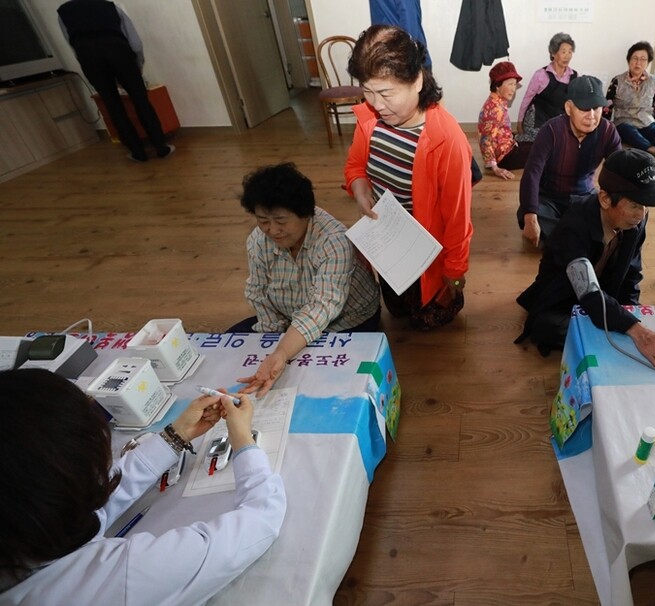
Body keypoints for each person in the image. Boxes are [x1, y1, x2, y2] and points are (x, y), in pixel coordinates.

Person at [0, 368, 285, 604]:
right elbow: (261, 518)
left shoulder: (21, 523)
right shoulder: (126, 576)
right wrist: (243, 439)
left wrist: (176, 436)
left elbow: (80, 509)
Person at [344, 24, 473, 331]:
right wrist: (360, 188)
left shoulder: (446, 140)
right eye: (367, 90)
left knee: (429, 318)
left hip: (427, 253)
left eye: (386, 92)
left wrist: (455, 271)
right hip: (388, 242)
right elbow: (355, 166)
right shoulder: (369, 119)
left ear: (416, 81)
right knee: (397, 309)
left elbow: (457, 219)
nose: (375, 104)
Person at [515, 148, 655, 372]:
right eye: (634, 205)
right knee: (548, 328)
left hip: (605, 294)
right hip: (564, 297)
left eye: (646, 205)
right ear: (604, 199)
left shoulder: (635, 221)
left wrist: (633, 314)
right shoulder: (573, 226)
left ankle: (611, 328)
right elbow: (588, 292)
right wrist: (635, 329)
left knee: (628, 323)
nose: (641, 214)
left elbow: (632, 273)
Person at [231, 163, 381, 397]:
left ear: (306, 213)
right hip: (290, 314)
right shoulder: (258, 240)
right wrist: (272, 337)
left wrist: (281, 352)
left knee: (321, 382)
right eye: (263, 221)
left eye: (281, 221)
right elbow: (257, 292)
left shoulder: (333, 241)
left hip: (345, 320)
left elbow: (322, 307)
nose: (272, 230)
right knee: (233, 349)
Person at [57, 0, 173, 163]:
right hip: (118, 50)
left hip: (88, 56)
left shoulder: (64, 12)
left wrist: (86, 60)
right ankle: (161, 147)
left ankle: (137, 152)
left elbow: (71, 41)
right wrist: (138, 64)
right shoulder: (109, 7)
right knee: (141, 100)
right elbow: (135, 42)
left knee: (113, 105)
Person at [518, 75, 622, 247]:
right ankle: (580, 242)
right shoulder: (551, 131)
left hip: (585, 197)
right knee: (529, 212)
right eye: (583, 108)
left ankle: (568, 241)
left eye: (596, 108)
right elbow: (531, 174)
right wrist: (530, 217)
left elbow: (619, 172)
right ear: (568, 108)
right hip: (549, 198)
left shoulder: (607, 131)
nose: (591, 116)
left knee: (614, 216)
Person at [604, 41, 655, 162]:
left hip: (646, 120)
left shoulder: (653, 81)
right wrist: (604, 129)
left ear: (648, 62)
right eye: (635, 58)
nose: (638, 63)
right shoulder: (617, 81)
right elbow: (607, 106)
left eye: (643, 59)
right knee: (631, 133)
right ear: (629, 60)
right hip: (624, 121)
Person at [516, 32, 578, 143]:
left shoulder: (574, 76)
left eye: (570, 52)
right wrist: (519, 123)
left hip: (558, 122)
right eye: (563, 52)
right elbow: (527, 99)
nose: (567, 56)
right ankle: (519, 139)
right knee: (545, 142)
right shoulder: (541, 75)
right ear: (553, 53)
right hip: (537, 120)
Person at [478, 61, 531, 180]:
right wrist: (495, 168)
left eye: (515, 84)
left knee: (535, 143)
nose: (513, 89)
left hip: (507, 146)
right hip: (505, 157)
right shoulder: (494, 109)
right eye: (510, 84)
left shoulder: (497, 101)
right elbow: (485, 139)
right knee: (541, 149)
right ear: (498, 85)